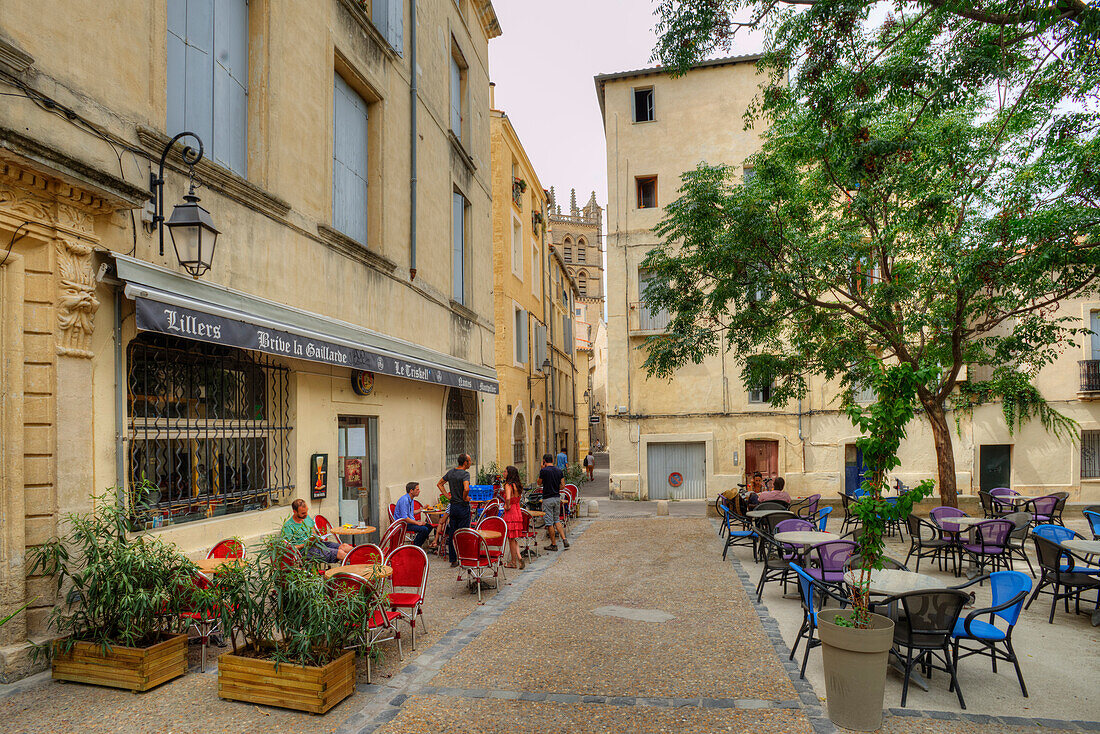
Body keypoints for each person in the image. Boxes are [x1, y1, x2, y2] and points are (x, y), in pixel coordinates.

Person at [282, 498, 353, 562]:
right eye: (303, 513)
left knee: (344, 546)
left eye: (307, 511)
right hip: (305, 551)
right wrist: (305, 544)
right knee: (340, 553)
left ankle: (361, 558)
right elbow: (290, 549)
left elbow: (313, 532)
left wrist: (317, 537)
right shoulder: (288, 526)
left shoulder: (306, 518)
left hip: (316, 544)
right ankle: (355, 568)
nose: (306, 515)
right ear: (295, 512)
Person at [437, 453, 472, 567]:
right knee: (463, 533)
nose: (470, 463)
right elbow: (466, 488)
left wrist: (448, 496)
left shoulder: (451, 472)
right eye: (469, 461)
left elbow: (440, 484)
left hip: (453, 507)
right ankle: (464, 557)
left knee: (452, 533)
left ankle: (453, 559)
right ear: (465, 462)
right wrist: (465, 497)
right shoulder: (465, 474)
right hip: (462, 506)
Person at [537, 453, 569, 551]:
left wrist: (541, 469)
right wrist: (556, 487)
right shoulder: (559, 471)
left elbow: (538, 483)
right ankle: (564, 539)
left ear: (544, 461)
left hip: (547, 498)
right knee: (557, 520)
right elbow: (563, 485)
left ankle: (554, 544)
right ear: (553, 460)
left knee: (549, 522)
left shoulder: (544, 471)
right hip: (557, 497)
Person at [393, 481, 433, 547]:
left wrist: (421, 509)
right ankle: (415, 547)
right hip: (403, 524)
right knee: (424, 529)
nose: (419, 491)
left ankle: (417, 544)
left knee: (429, 526)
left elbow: (411, 512)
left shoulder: (411, 499)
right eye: (417, 489)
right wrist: (417, 523)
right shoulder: (404, 500)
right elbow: (405, 518)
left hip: (408, 523)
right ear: (411, 491)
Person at [501, 465, 526, 570]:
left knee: (510, 539)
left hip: (510, 512)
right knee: (513, 538)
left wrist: (506, 506)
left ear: (509, 474)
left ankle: (513, 562)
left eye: (505, 471)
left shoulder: (508, 485)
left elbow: (507, 498)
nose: (504, 473)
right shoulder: (518, 485)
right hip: (517, 511)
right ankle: (519, 557)